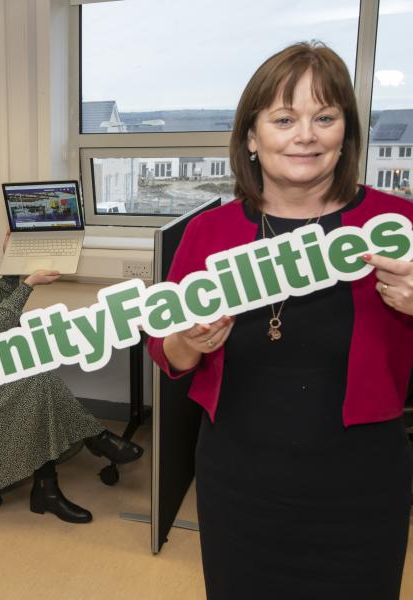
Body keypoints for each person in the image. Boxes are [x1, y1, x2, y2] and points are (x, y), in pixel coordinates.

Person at [148, 42, 413, 600]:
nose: (306, 135)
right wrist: (189, 342)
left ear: (346, 133)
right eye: (285, 118)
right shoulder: (207, 233)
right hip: (239, 478)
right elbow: (166, 355)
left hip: (360, 480)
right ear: (251, 136)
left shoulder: (396, 222)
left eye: (325, 117)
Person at [0, 206, 143, 524]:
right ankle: (93, 442)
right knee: (36, 379)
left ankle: (53, 481)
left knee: (38, 372)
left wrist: (12, 267)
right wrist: (28, 283)